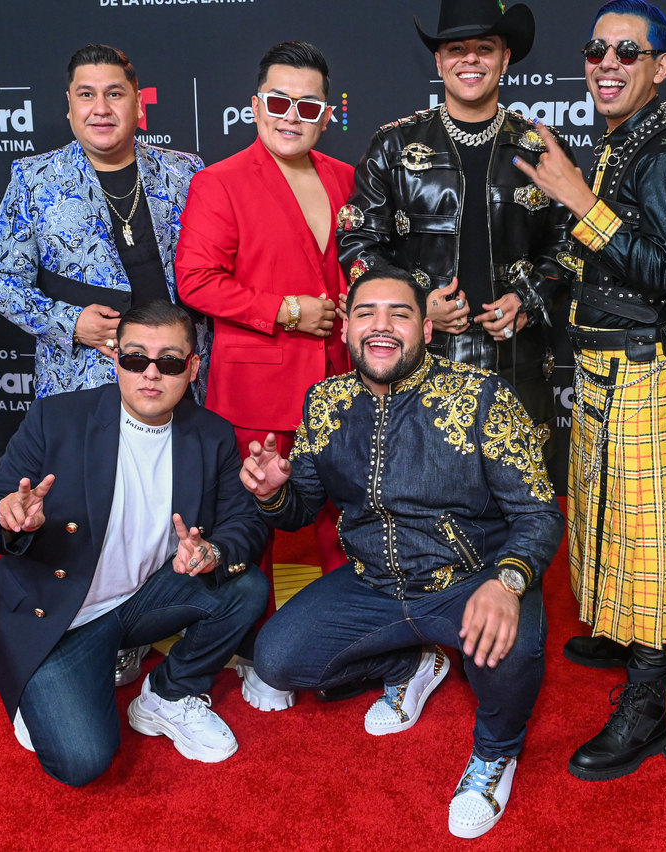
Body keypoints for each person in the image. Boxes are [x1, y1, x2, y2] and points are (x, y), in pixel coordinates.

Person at [243, 268, 563, 838]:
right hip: (373, 585)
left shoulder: (482, 396)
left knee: (508, 647)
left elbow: (539, 513)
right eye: (366, 313)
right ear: (346, 328)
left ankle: (496, 752)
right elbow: (301, 508)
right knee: (277, 660)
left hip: (469, 580)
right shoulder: (325, 401)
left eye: (400, 313)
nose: (382, 326)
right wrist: (273, 494)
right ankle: (410, 664)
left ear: (427, 329)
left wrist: (507, 582)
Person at [512, 0, 666, 780]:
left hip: (642, 365)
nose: (608, 63)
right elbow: (586, 254)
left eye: (629, 51)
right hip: (599, 361)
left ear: (661, 67)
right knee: (600, 511)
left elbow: (662, 272)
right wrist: (528, 294)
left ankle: (648, 704)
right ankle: (619, 632)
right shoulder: (618, 143)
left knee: (650, 533)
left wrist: (575, 195)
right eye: (597, 50)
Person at [0, 301, 269, 787]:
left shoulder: (211, 434)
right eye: (135, 358)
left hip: (138, 601)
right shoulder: (57, 418)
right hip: (58, 616)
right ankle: (42, 681)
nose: (151, 373)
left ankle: (168, 694)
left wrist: (212, 552)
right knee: (81, 761)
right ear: (115, 360)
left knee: (245, 585)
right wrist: (9, 520)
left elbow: (244, 524)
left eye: (169, 361)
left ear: (193, 367)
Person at [176, 42, 354, 708]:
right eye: (278, 101)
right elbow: (195, 280)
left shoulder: (347, 177)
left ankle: (348, 637)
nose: (290, 116)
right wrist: (284, 310)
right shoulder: (220, 182)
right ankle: (252, 649)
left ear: (327, 114)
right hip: (257, 387)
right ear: (255, 106)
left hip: (341, 382)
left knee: (345, 518)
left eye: (307, 106)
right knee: (253, 524)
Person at [338, 0, 574, 445]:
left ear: (505, 58)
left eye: (484, 47)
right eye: (456, 48)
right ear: (438, 61)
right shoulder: (393, 145)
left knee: (517, 487)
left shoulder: (543, 148)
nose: (470, 59)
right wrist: (414, 307)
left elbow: (571, 245)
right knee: (419, 484)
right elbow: (358, 242)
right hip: (417, 363)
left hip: (519, 368)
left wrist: (528, 298)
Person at [0, 44, 205, 400]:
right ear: (70, 105)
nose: (101, 108)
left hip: (180, 379)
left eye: (114, 94)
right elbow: (0, 280)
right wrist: (70, 323)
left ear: (138, 104)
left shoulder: (185, 171)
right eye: (87, 95)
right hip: (82, 382)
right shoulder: (34, 178)